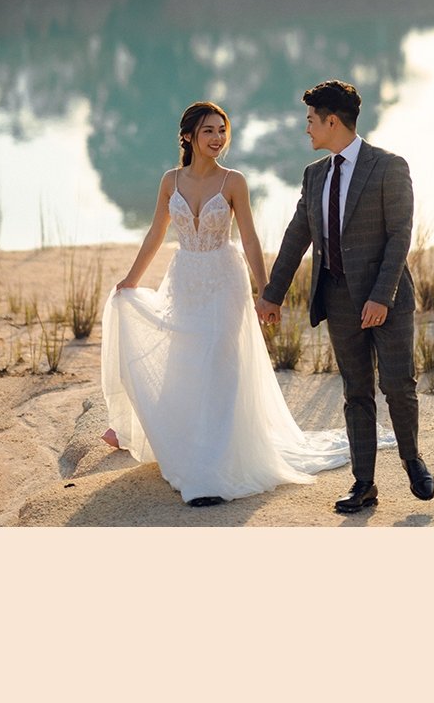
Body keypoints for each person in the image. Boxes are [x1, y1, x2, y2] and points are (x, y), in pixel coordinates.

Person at [99, 101, 355, 506]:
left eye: (222, 130)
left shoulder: (234, 182)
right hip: (184, 279)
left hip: (224, 280)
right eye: (208, 131)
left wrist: (266, 292)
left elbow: (250, 239)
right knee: (184, 362)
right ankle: (184, 448)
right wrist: (130, 280)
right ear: (188, 137)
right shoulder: (170, 181)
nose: (218, 138)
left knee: (220, 365)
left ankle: (209, 473)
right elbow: (155, 234)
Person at [256, 80, 434, 514]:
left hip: (385, 300)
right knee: (356, 391)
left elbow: (399, 237)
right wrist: (272, 295)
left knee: (397, 385)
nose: (307, 130)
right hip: (336, 300)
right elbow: (297, 235)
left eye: (311, 121)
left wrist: (380, 297)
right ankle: (364, 484)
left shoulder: (389, 166)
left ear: (332, 120)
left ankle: (411, 459)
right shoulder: (314, 175)